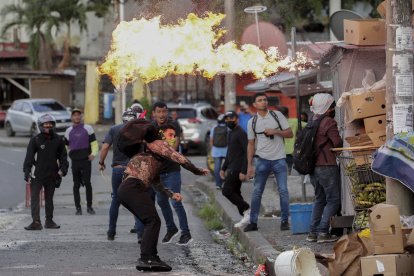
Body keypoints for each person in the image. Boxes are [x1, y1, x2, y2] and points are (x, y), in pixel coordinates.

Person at [116, 118, 209, 271]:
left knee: (151, 221)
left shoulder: (150, 152)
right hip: (133, 187)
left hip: (126, 190)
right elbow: (180, 159)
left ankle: (153, 258)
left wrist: (171, 194)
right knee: (153, 221)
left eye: (174, 135)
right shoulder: (159, 144)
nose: (173, 138)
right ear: (162, 135)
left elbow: (155, 182)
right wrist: (197, 171)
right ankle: (146, 258)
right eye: (170, 135)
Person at [99, 108, 151, 242]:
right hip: (133, 170)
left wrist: (101, 162)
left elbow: (105, 147)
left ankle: (111, 232)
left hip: (117, 169)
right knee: (136, 200)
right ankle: (140, 233)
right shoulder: (139, 131)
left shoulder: (114, 129)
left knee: (115, 200)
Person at [245, 92, 293, 232]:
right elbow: (251, 144)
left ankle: (284, 221)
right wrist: (249, 165)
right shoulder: (252, 122)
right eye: (260, 100)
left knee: (283, 190)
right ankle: (253, 222)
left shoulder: (277, 115)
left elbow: (290, 134)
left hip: (279, 159)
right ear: (254, 104)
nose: (263, 102)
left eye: (265, 100)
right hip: (262, 160)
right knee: (257, 192)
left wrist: (276, 131)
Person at [152, 101, 193, 245]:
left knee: (176, 201)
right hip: (157, 172)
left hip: (172, 171)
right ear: (154, 113)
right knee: (162, 202)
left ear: (167, 112)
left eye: (164, 111)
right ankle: (171, 228)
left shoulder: (173, 125)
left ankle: (186, 233)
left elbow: (174, 147)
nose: (162, 114)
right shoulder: (152, 127)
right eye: (159, 112)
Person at [306, 93, 343, 243]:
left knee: (319, 200)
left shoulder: (312, 120)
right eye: (331, 106)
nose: (333, 108)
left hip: (313, 167)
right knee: (334, 200)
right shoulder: (328, 122)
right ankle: (323, 232)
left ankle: (312, 233)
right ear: (326, 107)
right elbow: (337, 143)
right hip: (327, 166)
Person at [23, 114, 69, 230]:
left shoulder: (59, 139)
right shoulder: (35, 139)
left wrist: (64, 169)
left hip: (52, 175)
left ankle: (49, 221)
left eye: (50, 124)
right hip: (36, 175)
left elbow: (63, 157)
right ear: (41, 125)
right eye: (46, 124)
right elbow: (29, 157)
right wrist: (26, 170)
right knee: (34, 198)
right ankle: (36, 222)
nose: (48, 126)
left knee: (49, 199)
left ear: (53, 125)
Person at [64, 109, 98, 215]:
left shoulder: (88, 128)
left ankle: (89, 207)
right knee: (76, 184)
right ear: (71, 118)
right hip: (75, 161)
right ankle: (78, 208)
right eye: (74, 115)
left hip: (86, 160)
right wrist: (60, 159)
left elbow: (94, 143)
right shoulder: (68, 131)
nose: (77, 117)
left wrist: (93, 154)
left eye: (79, 115)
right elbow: (64, 147)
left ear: (81, 117)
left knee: (88, 183)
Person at [219, 111, 250, 228]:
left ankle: (247, 208)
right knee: (236, 192)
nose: (228, 121)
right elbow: (229, 152)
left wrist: (243, 170)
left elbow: (247, 152)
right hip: (231, 166)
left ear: (237, 119)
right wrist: (223, 167)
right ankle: (246, 216)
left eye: (231, 118)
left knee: (226, 191)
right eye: (226, 119)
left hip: (237, 168)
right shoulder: (230, 133)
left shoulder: (241, 133)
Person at [278, 106, 307, 175]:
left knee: (282, 171)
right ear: (288, 114)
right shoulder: (295, 121)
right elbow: (308, 125)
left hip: (280, 151)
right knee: (294, 169)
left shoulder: (277, 124)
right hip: (292, 150)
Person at [209, 114, 228, 189]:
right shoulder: (228, 128)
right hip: (226, 150)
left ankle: (218, 184)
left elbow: (211, 139)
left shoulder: (214, 127)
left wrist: (212, 149)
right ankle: (228, 183)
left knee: (217, 167)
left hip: (216, 150)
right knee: (228, 167)